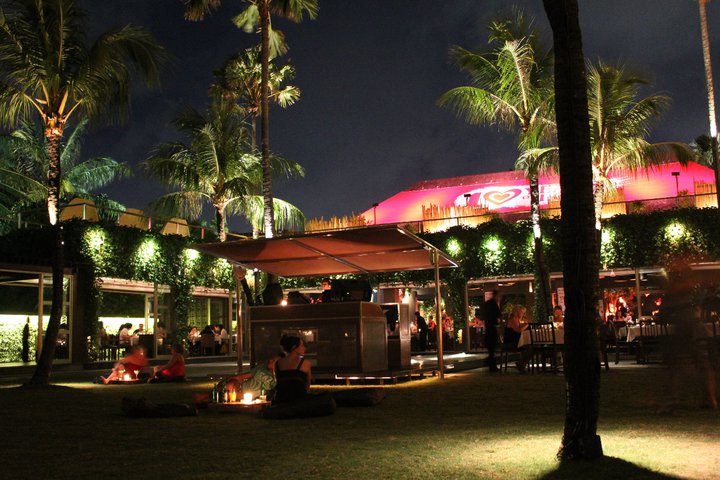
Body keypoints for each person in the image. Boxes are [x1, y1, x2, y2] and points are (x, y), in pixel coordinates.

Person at [273, 335, 312, 405]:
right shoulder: (305, 363)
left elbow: (277, 383)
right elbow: (307, 387)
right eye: (302, 345)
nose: (304, 348)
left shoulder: (278, 363)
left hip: (280, 401)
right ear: (294, 348)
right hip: (299, 402)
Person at [483, 290, 502, 372]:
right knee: (492, 347)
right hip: (492, 327)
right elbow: (498, 314)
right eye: (499, 296)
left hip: (488, 327)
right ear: (496, 296)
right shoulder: (494, 304)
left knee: (491, 349)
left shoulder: (487, 304)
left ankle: (491, 364)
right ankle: (492, 365)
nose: (500, 298)